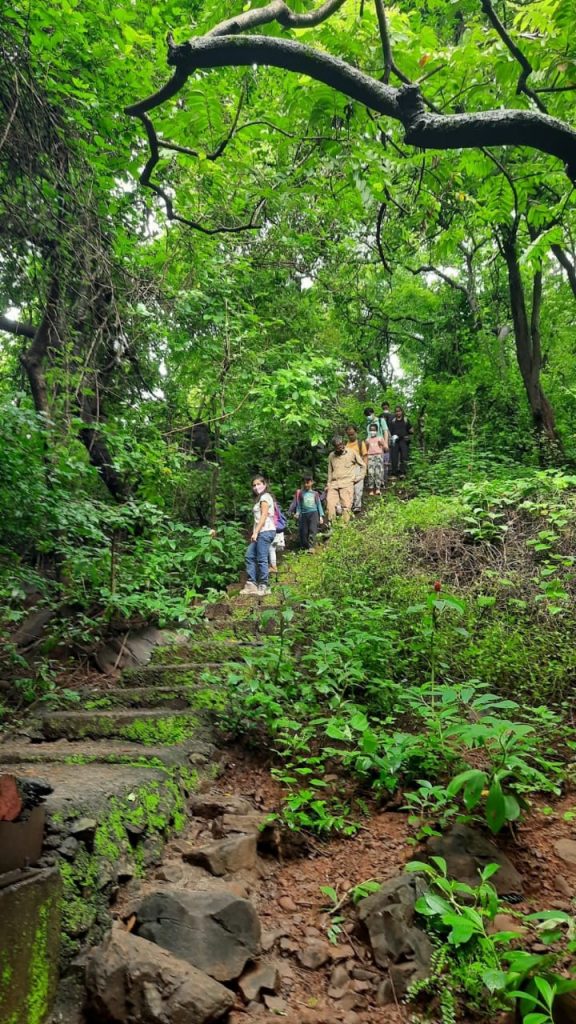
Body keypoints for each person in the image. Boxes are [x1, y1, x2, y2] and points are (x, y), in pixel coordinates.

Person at [240, 475, 276, 596]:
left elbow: (264, 515)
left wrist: (256, 532)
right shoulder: (259, 499)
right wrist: (255, 532)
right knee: (249, 555)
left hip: (266, 531)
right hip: (260, 532)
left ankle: (264, 585)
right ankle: (252, 584)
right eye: (254, 485)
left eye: (259, 484)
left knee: (261, 558)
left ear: (264, 485)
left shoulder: (265, 497)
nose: (256, 487)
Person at [326, 437, 365, 523]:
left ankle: (344, 526)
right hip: (334, 483)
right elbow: (330, 471)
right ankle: (332, 525)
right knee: (330, 505)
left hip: (347, 483)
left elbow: (363, 465)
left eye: (341, 444)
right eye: (338, 446)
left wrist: (359, 477)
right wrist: (328, 483)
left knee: (346, 506)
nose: (340, 447)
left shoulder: (351, 452)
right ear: (334, 447)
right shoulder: (331, 456)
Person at [289, 475, 324, 550]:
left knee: (312, 530)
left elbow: (318, 505)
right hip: (304, 514)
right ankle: (304, 547)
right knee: (304, 531)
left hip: (313, 513)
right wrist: (298, 513)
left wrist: (321, 516)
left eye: (307, 483)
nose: (306, 485)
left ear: (311, 483)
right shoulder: (301, 493)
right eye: (304, 483)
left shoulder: (315, 493)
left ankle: (311, 547)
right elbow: (299, 504)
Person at [345, 425, 368, 514]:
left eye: (352, 434)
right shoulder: (346, 445)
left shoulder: (360, 443)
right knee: (349, 487)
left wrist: (365, 470)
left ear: (356, 433)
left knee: (358, 487)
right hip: (349, 468)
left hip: (358, 466)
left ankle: (357, 505)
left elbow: (365, 456)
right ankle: (350, 504)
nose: (351, 436)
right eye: (349, 435)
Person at [389, 405, 414, 477]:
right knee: (394, 456)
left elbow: (411, 430)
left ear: (402, 412)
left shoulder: (406, 420)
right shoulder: (393, 421)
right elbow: (389, 431)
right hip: (395, 441)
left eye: (399, 411)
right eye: (396, 411)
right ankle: (394, 472)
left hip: (404, 440)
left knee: (404, 456)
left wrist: (409, 434)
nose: (398, 413)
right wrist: (390, 439)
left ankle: (403, 472)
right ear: (395, 412)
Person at [366, 421, 388, 495]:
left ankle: (378, 488)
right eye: (371, 430)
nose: (373, 431)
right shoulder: (367, 440)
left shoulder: (380, 438)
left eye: (374, 430)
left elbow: (386, 449)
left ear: (377, 430)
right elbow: (366, 449)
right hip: (370, 456)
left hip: (379, 456)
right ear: (369, 431)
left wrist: (382, 444)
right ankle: (371, 489)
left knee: (378, 472)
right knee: (371, 472)